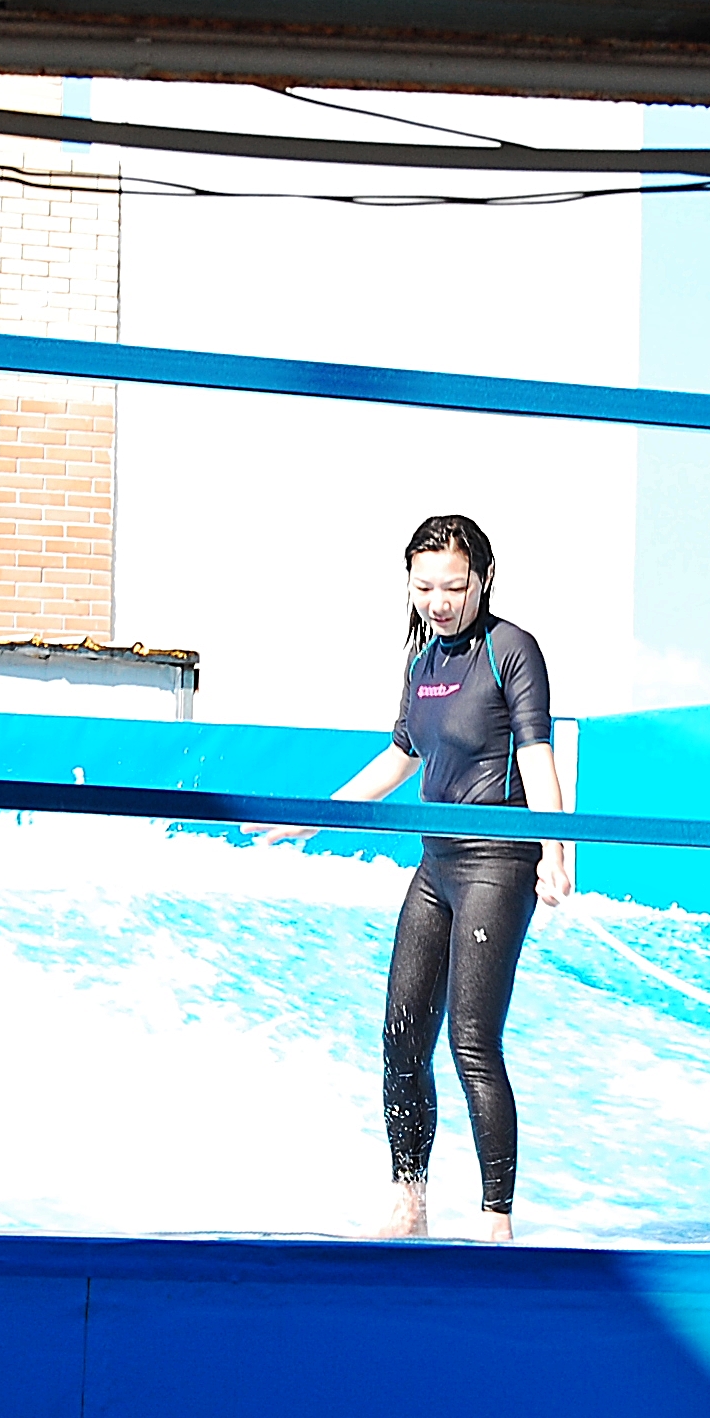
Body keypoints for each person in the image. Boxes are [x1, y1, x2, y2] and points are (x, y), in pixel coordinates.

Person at [266, 515, 572, 1242]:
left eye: (453, 587)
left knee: (472, 1041)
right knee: (402, 1037)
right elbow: (403, 755)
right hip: (436, 863)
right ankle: (410, 1202)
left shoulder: (511, 650)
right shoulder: (422, 662)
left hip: (499, 858)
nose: (438, 602)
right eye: (424, 586)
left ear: (483, 580)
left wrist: (557, 852)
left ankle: (496, 1222)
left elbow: (537, 755)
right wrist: (319, 817)